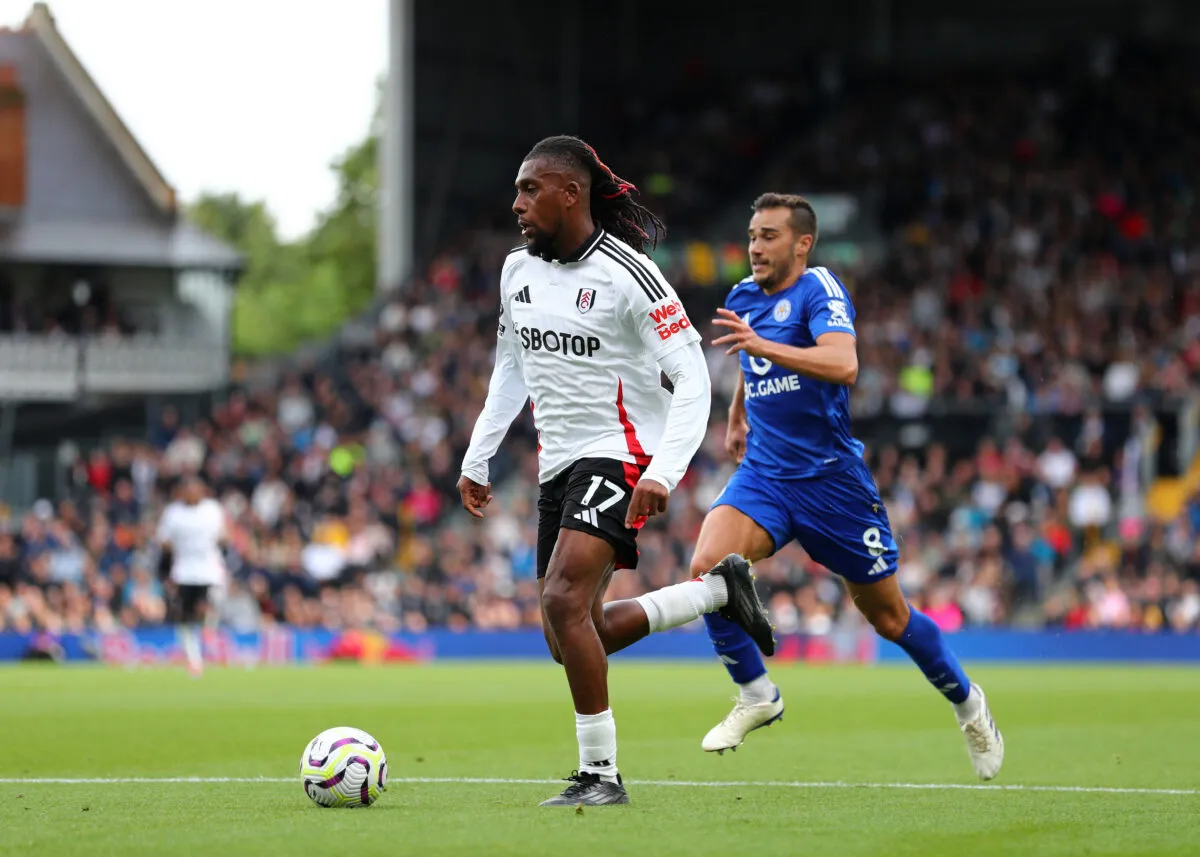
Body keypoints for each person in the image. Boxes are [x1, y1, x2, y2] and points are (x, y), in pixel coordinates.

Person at [458, 135, 774, 807]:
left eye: (528, 189)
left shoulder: (629, 274)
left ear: (570, 194)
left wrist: (662, 469)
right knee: (571, 634)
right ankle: (716, 594)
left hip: (624, 450)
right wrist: (478, 453)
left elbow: (693, 377)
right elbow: (510, 367)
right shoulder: (516, 271)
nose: (516, 204)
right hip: (559, 462)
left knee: (563, 601)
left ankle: (601, 774)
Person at [692, 192, 1004, 780]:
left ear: (802, 244)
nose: (755, 246)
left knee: (889, 620)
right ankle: (756, 694)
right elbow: (747, 361)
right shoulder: (742, 298)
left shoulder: (820, 290)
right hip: (765, 474)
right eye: (753, 234)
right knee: (708, 564)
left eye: (769, 236)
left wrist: (761, 347)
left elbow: (843, 366)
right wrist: (737, 410)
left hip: (833, 484)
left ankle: (969, 705)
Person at [155, 477, 228, 677]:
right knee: (184, 618)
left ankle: (209, 629)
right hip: (184, 571)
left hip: (208, 569)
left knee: (208, 605)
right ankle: (194, 659)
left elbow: (224, 536)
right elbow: (163, 541)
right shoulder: (174, 513)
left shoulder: (212, 509)